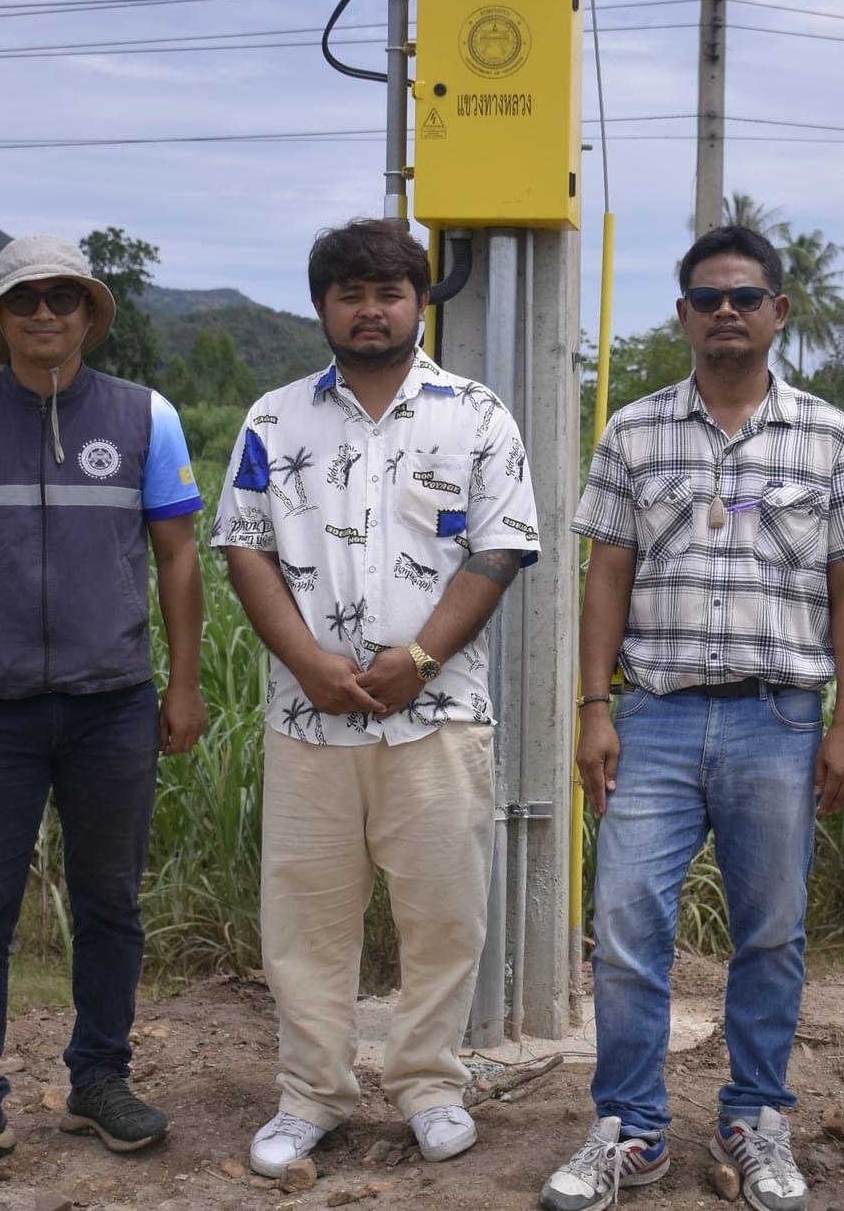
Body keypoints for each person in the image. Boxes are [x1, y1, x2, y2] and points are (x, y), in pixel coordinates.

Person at [543, 225, 844, 1211]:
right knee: (625, 924)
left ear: (778, 312)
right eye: (707, 298)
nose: (726, 311)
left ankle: (754, 1117)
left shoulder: (829, 435)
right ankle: (631, 1128)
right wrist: (595, 706)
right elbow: (605, 574)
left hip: (776, 720)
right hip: (652, 717)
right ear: (684, 315)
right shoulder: (634, 431)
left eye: (745, 296)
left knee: (771, 931)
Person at [213, 219, 539, 1178]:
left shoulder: (477, 416)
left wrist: (423, 657)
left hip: (439, 715)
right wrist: (308, 662)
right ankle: (310, 1093)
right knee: (305, 921)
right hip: (309, 716)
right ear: (322, 305)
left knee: (444, 915)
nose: (370, 310)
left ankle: (430, 1085)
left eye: (389, 293)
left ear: (420, 301)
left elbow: (499, 548)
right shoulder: (274, 419)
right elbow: (246, 547)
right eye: (350, 294)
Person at [0, 234, 207, 1183]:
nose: (44, 314)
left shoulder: (146, 417)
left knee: (111, 900)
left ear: (87, 313)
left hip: (114, 704)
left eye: (63, 297)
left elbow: (179, 556)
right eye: (24, 299)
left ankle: (99, 1078)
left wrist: (183, 682)